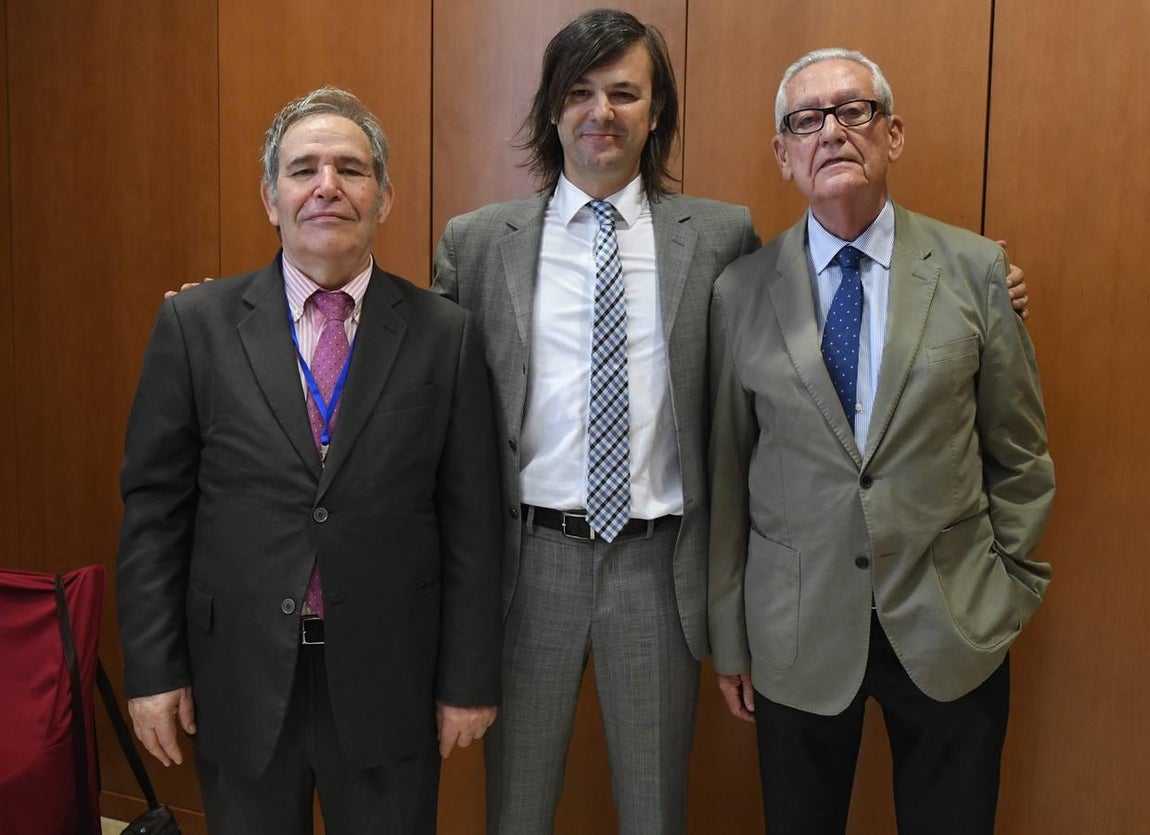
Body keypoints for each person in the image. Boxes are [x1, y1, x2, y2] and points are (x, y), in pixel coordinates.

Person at [433, 12, 1030, 835]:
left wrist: (989, 292)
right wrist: (223, 327)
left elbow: (795, 349)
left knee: (656, 812)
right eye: (578, 92)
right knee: (517, 808)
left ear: (656, 112)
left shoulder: (719, 239)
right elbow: (420, 377)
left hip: (657, 565)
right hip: (528, 564)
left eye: (624, 92)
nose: (600, 110)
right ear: (550, 110)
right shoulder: (475, 243)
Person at [116, 86, 502, 835]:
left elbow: (472, 520)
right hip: (240, 677)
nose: (327, 186)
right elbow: (154, 515)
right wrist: (154, 670)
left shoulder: (444, 335)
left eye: (350, 169)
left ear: (384, 197)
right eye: (304, 169)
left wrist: (468, 679)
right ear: (271, 196)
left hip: (391, 679)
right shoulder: (194, 325)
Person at [707, 48, 1055, 835]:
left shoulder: (977, 272)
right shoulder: (739, 293)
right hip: (794, 631)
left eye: (853, 111)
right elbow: (728, 476)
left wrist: (1009, 589)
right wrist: (730, 635)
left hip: (952, 621)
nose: (831, 131)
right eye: (806, 119)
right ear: (784, 153)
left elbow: (1022, 455)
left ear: (892, 134)